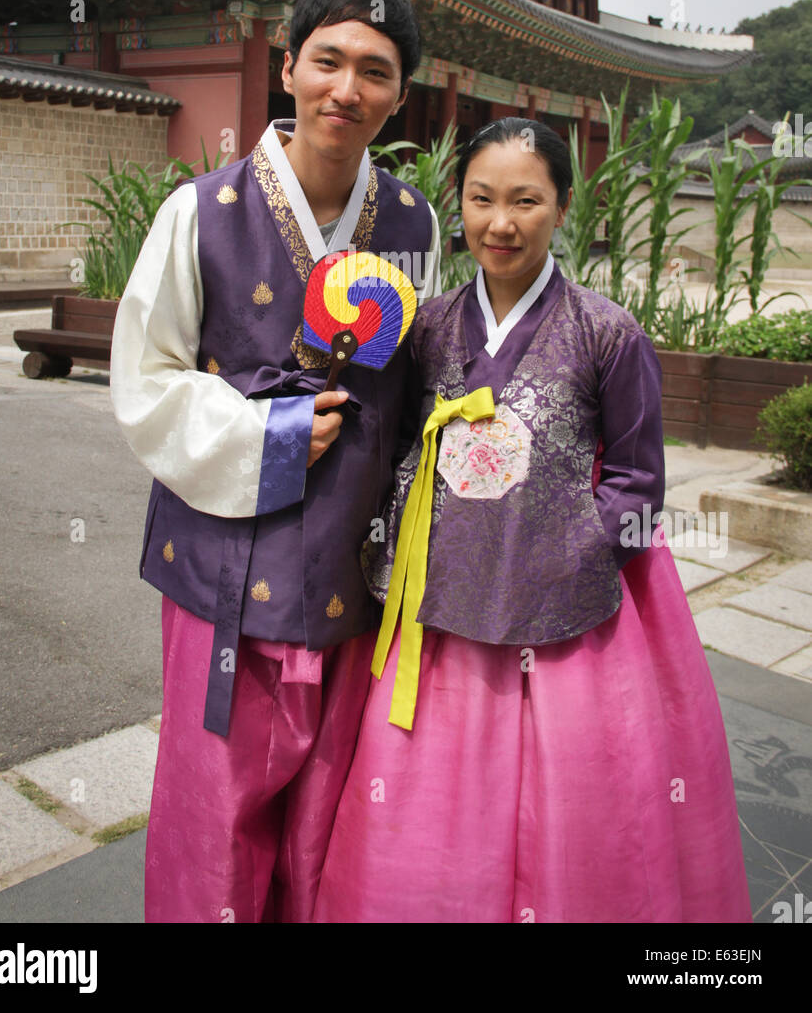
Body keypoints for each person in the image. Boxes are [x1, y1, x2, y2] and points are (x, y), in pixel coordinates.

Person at [313, 116, 752, 924]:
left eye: (526, 201)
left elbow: (636, 481)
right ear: (461, 204)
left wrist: (574, 553)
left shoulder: (607, 332)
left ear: (564, 206)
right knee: (428, 795)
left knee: (573, 803)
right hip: (439, 599)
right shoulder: (431, 325)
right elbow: (395, 439)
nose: (500, 223)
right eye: (480, 199)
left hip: (562, 608)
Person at [109, 0, 442, 923]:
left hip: (352, 566)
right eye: (327, 61)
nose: (347, 88)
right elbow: (148, 379)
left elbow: (416, 377)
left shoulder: (414, 223)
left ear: (399, 94)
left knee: (326, 814)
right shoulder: (202, 211)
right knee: (214, 813)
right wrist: (267, 433)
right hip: (225, 565)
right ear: (288, 66)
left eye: (375, 72)